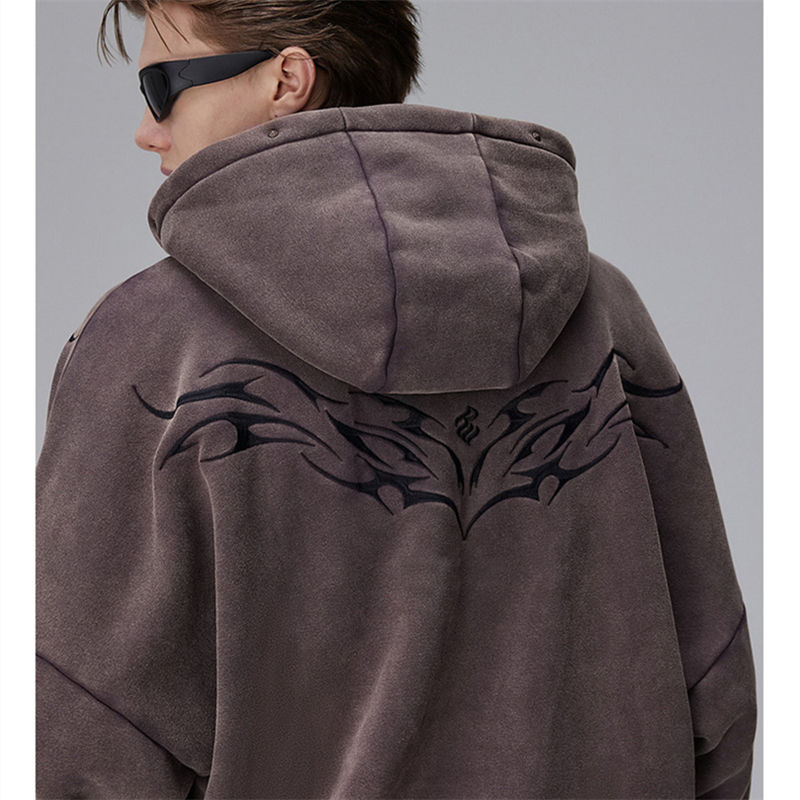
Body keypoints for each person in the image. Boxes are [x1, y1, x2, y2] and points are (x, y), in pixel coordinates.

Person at [35, 1, 757, 798]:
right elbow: (715, 686)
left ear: (287, 79)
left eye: (163, 86)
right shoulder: (603, 316)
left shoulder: (149, 346)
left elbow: (81, 729)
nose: (148, 130)